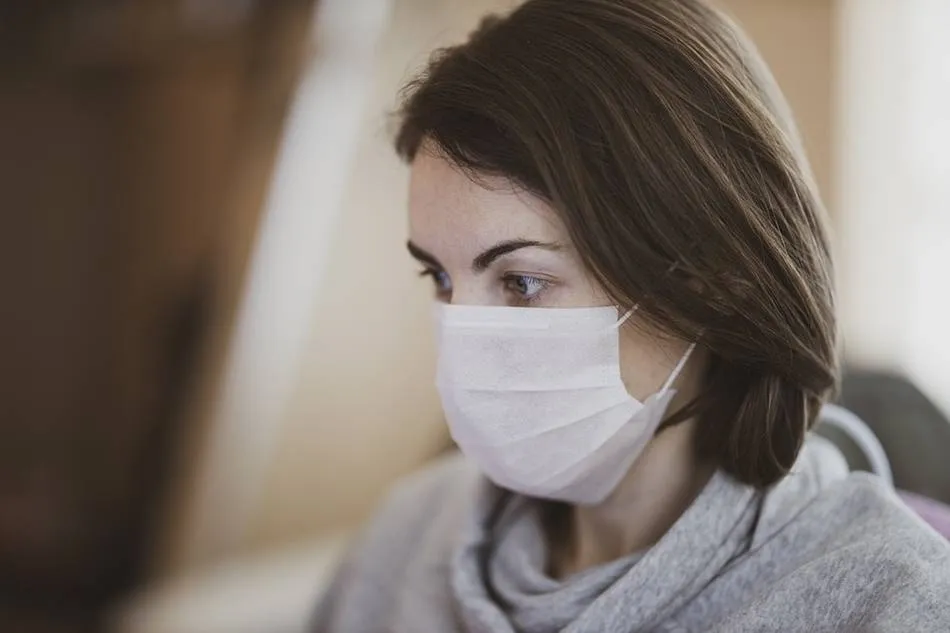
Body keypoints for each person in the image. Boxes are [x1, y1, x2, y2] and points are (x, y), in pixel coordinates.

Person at [313, 0, 950, 631]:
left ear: (713, 275)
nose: (463, 335)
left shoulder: (886, 602)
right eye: (441, 278)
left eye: (524, 282)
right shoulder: (407, 536)